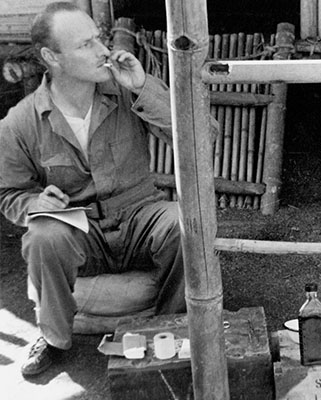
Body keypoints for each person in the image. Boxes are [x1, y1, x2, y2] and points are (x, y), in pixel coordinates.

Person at [0, 2, 186, 376]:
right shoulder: (20, 122)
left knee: (184, 223)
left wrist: (143, 87)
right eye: (86, 45)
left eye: (99, 39)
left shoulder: (125, 93)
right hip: (81, 232)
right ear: (52, 57)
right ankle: (54, 337)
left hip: (139, 217)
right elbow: (8, 195)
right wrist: (35, 200)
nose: (103, 51)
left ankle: (170, 327)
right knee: (43, 233)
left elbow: (203, 137)